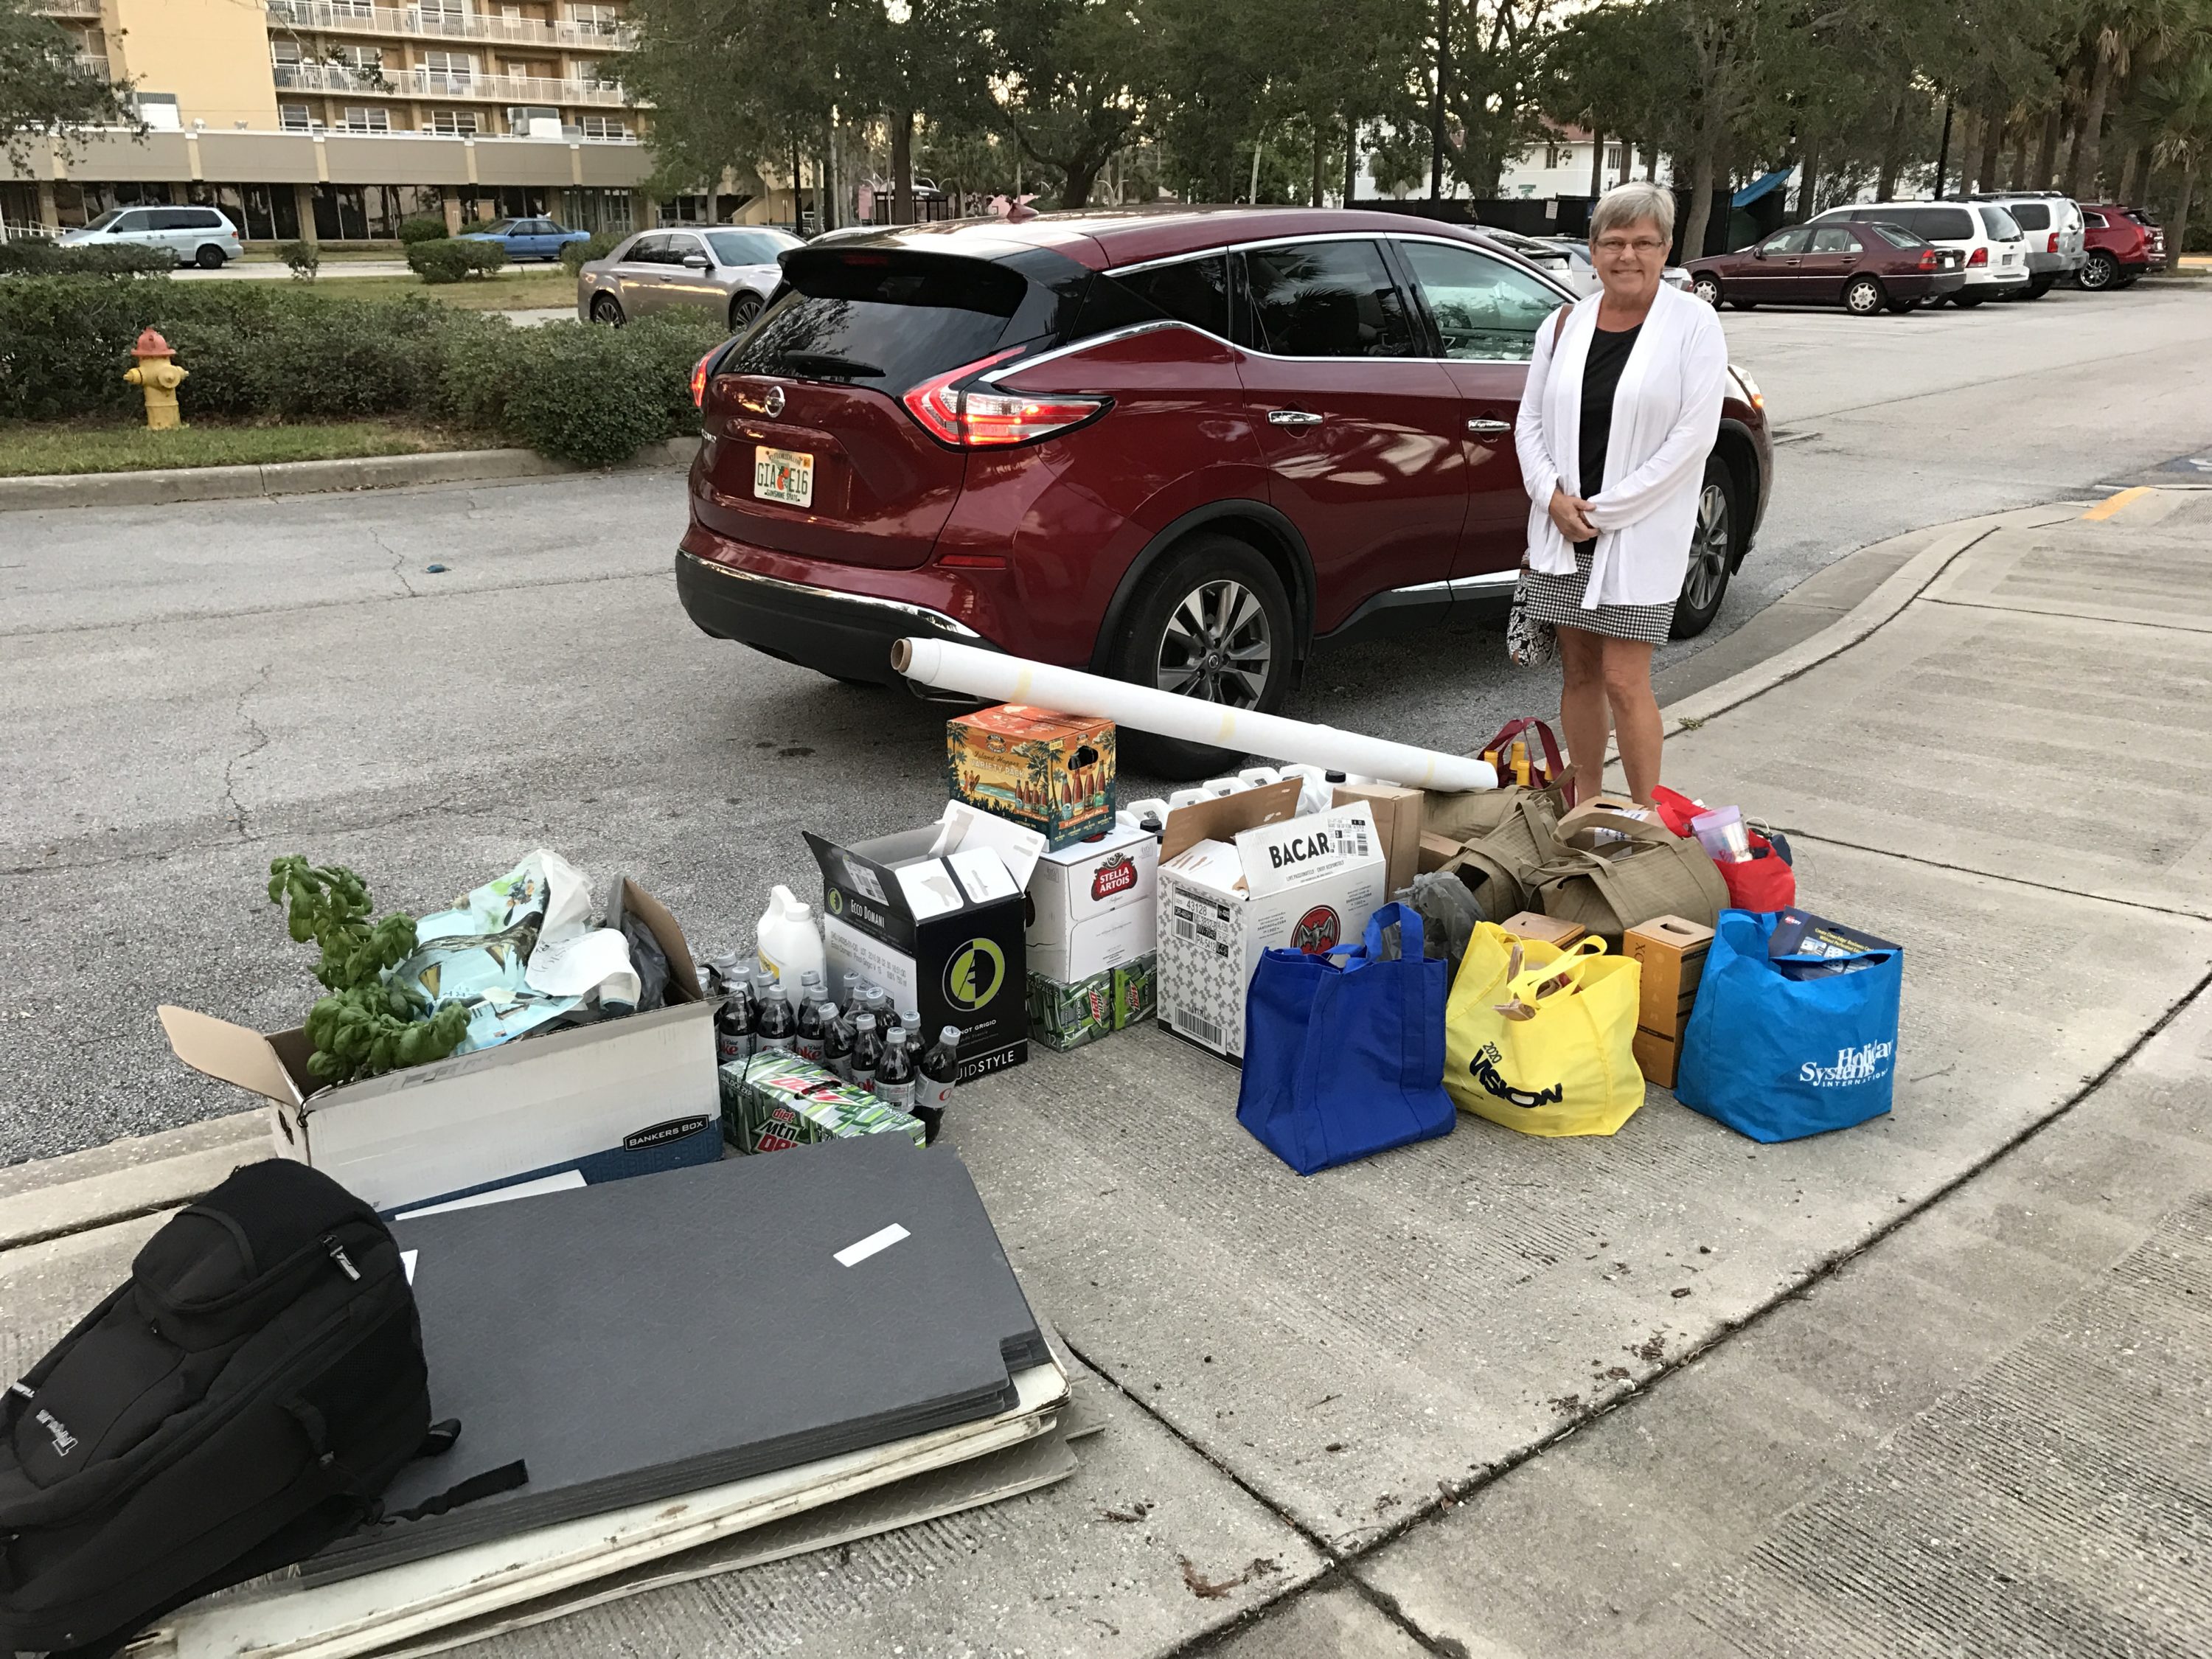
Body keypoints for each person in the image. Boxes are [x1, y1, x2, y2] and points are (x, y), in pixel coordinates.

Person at [1512, 180, 1727, 805]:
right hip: (1562, 530)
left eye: (1642, 242)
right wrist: (1552, 498)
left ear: (1665, 250)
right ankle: (1586, 805)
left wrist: (1606, 512)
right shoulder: (1563, 325)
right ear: (1593, 250)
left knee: (1625, 680)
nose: (1626, 255)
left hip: (1635, 535)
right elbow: (1528, 422)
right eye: (1612, 242)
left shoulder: (1693, 324)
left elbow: (1694, 437)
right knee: (1579, 672)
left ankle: (1643, 817)